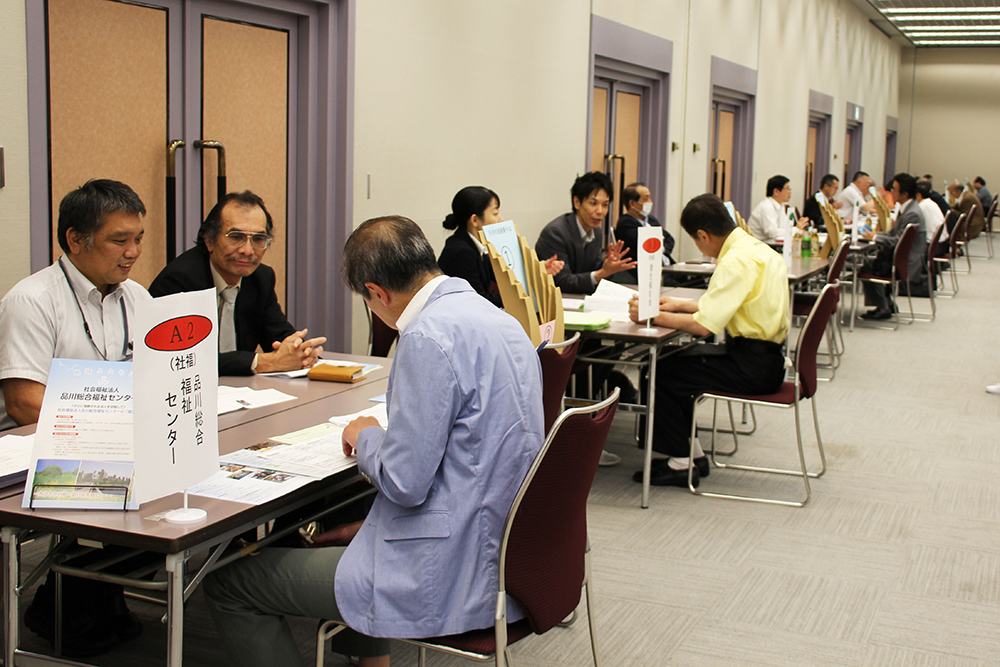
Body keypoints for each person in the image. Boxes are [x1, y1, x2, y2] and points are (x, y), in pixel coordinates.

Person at [203, 215, 545, 667]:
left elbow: (405, 482)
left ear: (377, 293)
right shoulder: (497, 318)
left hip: (449, 563)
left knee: (229, 582)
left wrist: (366, 437)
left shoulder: (426, 336)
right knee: (353, 520)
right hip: (503, 547)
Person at [0, 179, 149, 655]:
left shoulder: (138, 299)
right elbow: (25, 404)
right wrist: (114, 424)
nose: (132, 253)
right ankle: (71, 597)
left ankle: (88, 594)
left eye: (138, 239)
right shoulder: (32, 300)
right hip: (47, 456)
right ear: (74, 240)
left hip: (124, 447)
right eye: (119, 240)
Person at [626, 194, 789, 487]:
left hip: (752, 366)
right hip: (767, 359)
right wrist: (677, 304)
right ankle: (692, 454)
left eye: (697, 241)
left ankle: (680, 463)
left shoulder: (734, 261)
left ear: (703, 235)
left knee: (661, 372)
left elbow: (703, 326)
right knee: (673, 364)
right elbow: (731, 302)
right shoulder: (757, 250)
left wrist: (651, 315)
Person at [149, 191, 325, 376]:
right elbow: (179, 359)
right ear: (209, 240)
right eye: (235, 237)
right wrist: (260, 362)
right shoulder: (179, 281)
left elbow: (278, 337)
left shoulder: (261, 278)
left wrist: (302, 353)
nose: (248, 251)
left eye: (258, 239)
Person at [437, 186, 562, 307]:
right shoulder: (461, 252)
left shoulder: (476, 246)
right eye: (495, 213)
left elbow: (503, 275)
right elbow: (478, 299)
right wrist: (522, 296)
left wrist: (538, 270)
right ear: (475, 220)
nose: (501, 219)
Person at [534, 171, 636, 295]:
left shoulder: (596, 232)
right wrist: (602, 273)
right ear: (577, 202)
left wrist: (608, 264)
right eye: (593, 203)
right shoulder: (555, 233)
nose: (600, 211)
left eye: (605, 205)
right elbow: (562, 281)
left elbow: (592, 269)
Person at [860, 173, 927, 320]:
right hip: (902, 258)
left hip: (905, 261)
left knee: (867, 267)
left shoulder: (912, 213)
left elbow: (897, 240)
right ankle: (886, 303)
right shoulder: (909, 209)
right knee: (873, 262)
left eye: (895, 189)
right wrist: (877, 235)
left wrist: (876, 237)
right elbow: (893, 234)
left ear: (905, 194)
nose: (892, 192)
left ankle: (883, 307)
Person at [615, 182, 675, 282]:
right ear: (633, 203)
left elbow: (669, 239)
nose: (650, 202)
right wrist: (659, 245)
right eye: (646, 198)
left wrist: (660, 248)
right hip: (646, 274)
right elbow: (646, 245)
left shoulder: (651, 220)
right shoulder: (625, 223)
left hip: (666, 266)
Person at [747, 175, 807, 242]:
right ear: (776, 191)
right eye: (787, 188)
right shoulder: (766, 207)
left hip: (771, 243)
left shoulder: (780, 206)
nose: (790, 192)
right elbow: (772, 233)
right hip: (759, 245)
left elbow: (783, 228)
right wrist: (796, 229)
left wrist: (797, 231)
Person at [917, 179, 947, 250]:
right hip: (941, 243)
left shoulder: (922, 207)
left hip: (933, 246)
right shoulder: (931, 203)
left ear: (918, 195)